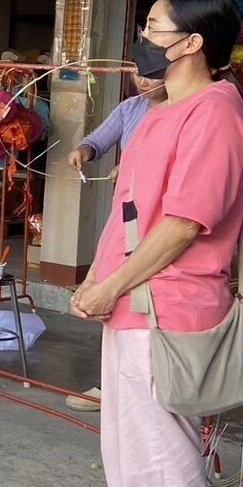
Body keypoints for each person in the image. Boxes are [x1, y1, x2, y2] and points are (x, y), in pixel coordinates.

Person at [72, 0, 243, 487]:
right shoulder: (163, 108)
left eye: (152, 26)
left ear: (191, 42)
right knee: (127, 454)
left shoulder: (215, 112)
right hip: (129, 303)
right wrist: (97, 282)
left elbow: (182, 225)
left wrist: (113, 284)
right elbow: (131, 211)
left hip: (167, 308)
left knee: (164, 461)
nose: (142, 36)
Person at [63, 72, 167, 413]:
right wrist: (83, 151)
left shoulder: (183, 111)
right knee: (119, 300)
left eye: (154, 76)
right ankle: (113, 385)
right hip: (128, 218)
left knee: (146, 302)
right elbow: (97, 140)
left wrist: (136, 170)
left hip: (160, 220)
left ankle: (150, 387)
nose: (144, 82)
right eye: (140, 74)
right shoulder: (130, 108)